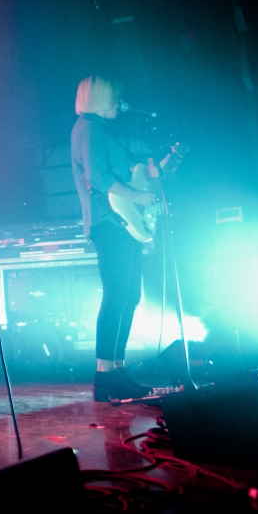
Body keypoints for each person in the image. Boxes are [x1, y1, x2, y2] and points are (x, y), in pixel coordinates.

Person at [71, 76, 166, 402]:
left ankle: (117, 370)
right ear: (99, 98)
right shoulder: (90, 129)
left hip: (118, 222)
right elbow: (98, 178)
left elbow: (117, 175)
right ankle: (104, 374)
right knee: (117, 294)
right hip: (109, 223)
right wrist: (137, 197)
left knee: (129, 295)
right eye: (113, 98)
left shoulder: (97, 130)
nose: (118, 103)